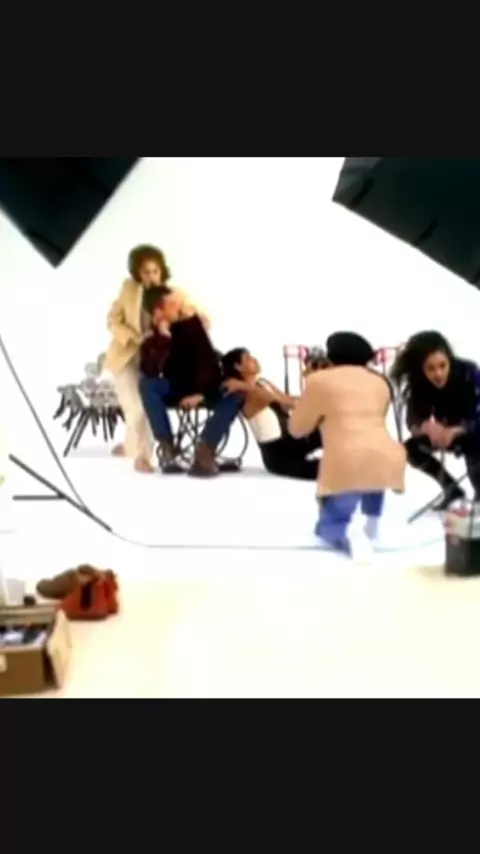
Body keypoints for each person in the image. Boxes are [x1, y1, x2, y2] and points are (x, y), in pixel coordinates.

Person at [289, 332, 406, 556]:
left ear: (332, 355)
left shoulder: (320, 380)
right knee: (372, 469)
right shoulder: (380, 382)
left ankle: (346, 537)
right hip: (385, 454)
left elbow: (298, 428)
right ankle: (372, 523)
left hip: (347, 462)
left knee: (330, 521)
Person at [104, 245, 208, 473]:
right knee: (135, 407)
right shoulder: (129, 290)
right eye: (145, 272)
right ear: (137, 273)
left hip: (154, 360)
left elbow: (201, 318)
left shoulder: (173, 294)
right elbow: (112, 320)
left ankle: (133, 445)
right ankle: (142, 457)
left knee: (144, 403)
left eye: (155, 271)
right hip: (127, 355)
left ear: (162, 271)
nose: (151, 276)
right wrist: (135, 337)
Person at [139, 287, 244, 477]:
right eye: (172, 304)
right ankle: (167, 448)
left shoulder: (191, 325)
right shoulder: (154, 338)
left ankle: (205, 450)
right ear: (158, 311)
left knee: (236, 392)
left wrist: (203, 395)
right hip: (175, 387)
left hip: (205, 387)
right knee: (147, 384)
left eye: (177, 303)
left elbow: (208, 365)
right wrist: (163, 338)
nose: (178, 307)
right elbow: (149, 370)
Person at [390, 330, 480, 509]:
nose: (438, 373)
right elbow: (413, 419)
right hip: (446, 433)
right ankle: (451, 490)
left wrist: (456, 430)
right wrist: (426, 427)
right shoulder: (418, 382)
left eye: (442, 365)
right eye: (430, 369)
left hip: (474, 430)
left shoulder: (468, 372)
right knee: (410, 449)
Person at [221, 348, 322, 480]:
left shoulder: (262, 383)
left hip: (292, 442)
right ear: (238, 367)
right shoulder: (244, 394)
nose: (254, 359)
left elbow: (289, 401)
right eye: (248, 358)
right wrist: (244, 386)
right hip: (278, 456)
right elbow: (271, 398)